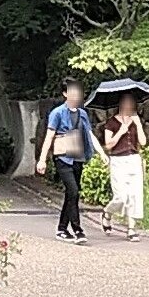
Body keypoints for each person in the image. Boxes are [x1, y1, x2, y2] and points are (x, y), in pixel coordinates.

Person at [36, 77, 108, 243]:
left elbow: (89, 134)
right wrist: (42, 159)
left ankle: (62, 229)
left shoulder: (82, 114)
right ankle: (78, 230)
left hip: (77, 155)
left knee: (71, 194)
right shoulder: (57, 113)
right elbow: (49, 136)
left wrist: (101, 153)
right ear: (65, 93)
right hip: (62, 156)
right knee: (73, 191)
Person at [99, 91, 147, 241]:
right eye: (126, 102)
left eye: (131, 102)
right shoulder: (111, 123)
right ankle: (107, 212)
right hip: (118, 161)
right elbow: (108, 145)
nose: (129, 105)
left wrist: (138, 124)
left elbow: (143, 142)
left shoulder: (136, 121)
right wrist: (120, 131)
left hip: (134, 159)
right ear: (120, 103)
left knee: (134, 195)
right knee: (121, 196)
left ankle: (131, 229)